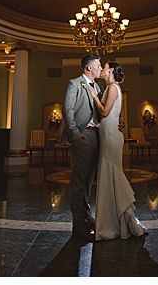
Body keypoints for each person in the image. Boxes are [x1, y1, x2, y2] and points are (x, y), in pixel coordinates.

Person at [84, 62, 148, 240]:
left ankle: (120, 219)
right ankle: (113, 219)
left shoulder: (112, 88)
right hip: (108, 134)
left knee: (113, 173)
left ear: (110, 71)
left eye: (104, 67)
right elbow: (113, 114)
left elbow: (104, 112)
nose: (102, 70)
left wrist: (94, 96)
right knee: (108, 174)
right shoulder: (111, 88)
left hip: (111, 136)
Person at [61, 54, 103, 241]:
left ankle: (86, 216)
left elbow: (100, 112)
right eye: (98, 66)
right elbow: (68, 110)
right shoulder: (74, 84)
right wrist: (75, 135)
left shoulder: (99, 87)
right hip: (82, 135)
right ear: (89, 68)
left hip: (96, 136)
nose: (101, 68)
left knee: (88, 180)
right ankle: (78, 224)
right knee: (78, 180)